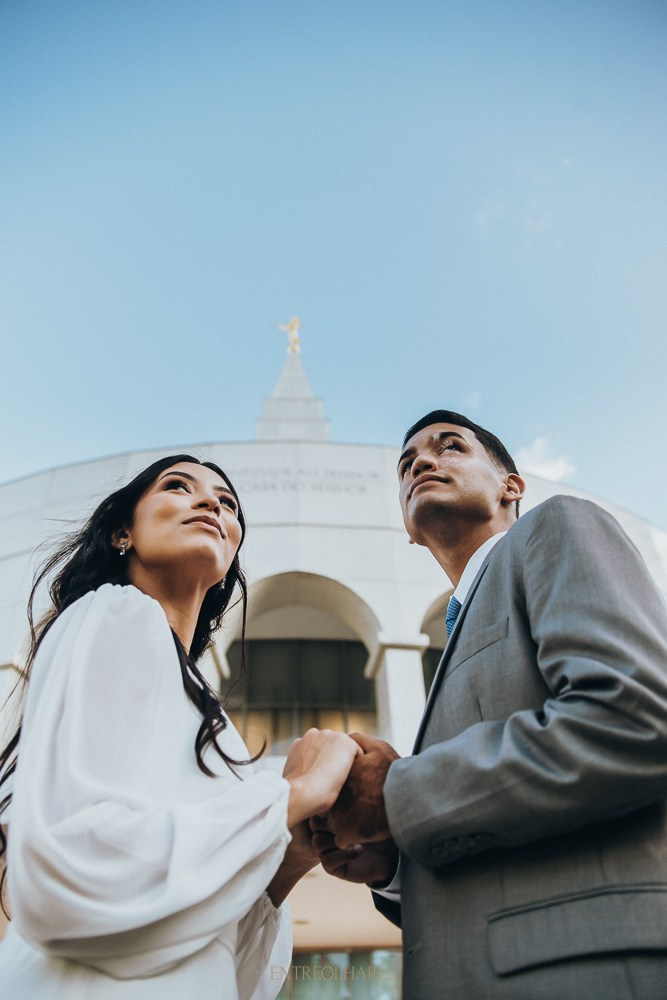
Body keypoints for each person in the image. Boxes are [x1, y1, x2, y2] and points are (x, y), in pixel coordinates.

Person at [312, 411, 667, 1000]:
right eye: (406, 465)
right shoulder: (457, 634)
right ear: (406, 526)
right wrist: (393, 863)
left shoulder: (558, 527)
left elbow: (636, 714)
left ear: (512, 486)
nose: (422, 462)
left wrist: (396, 795)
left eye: (450, 447)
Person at [0, 454, 360, 999]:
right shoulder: (115, 613)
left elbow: (236, 975)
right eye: (178, 486)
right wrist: (293, 793)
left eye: (228, 502)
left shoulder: (215, 724)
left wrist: (289, 857)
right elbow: (69, 870)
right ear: (124, 531)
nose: (213, 502)